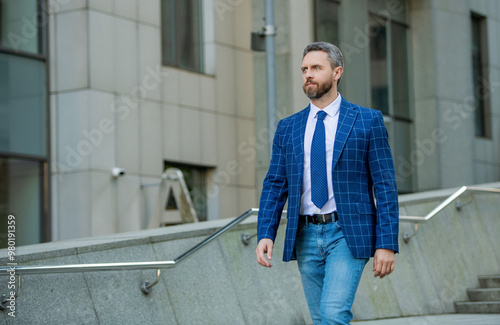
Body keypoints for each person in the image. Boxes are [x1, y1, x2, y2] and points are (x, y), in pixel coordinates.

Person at [255, 42, 399, 325]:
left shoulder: (367, 121)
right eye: (304, 69)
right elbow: (275, 184)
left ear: (337, 72)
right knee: (321, 318)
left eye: (316, 68)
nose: (308, 74)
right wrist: (265, 233)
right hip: (305, 234)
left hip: (347, 233)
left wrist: (387, 243)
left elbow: (385, 185)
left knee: (334, 314)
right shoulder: (288, 127)